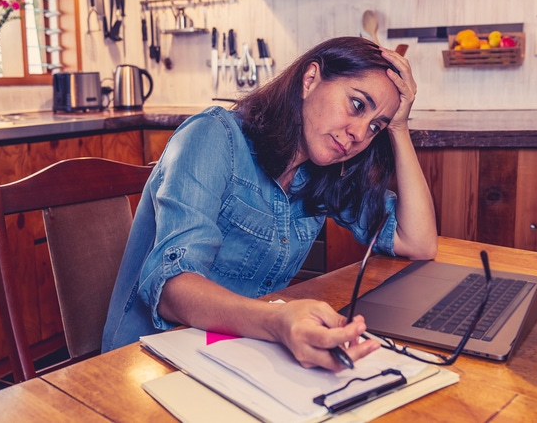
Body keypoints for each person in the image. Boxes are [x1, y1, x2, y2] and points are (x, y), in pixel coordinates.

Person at [101, 36, 437, 371]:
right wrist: (278, 320)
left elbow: (417, 241)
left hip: (234, 353)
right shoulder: (213, 136)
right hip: (146, 364)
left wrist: (399, 126)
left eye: (376, 126)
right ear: (310, 79)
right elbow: (173, 288)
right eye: (357, 105)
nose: (360, 134)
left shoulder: (322, 173)